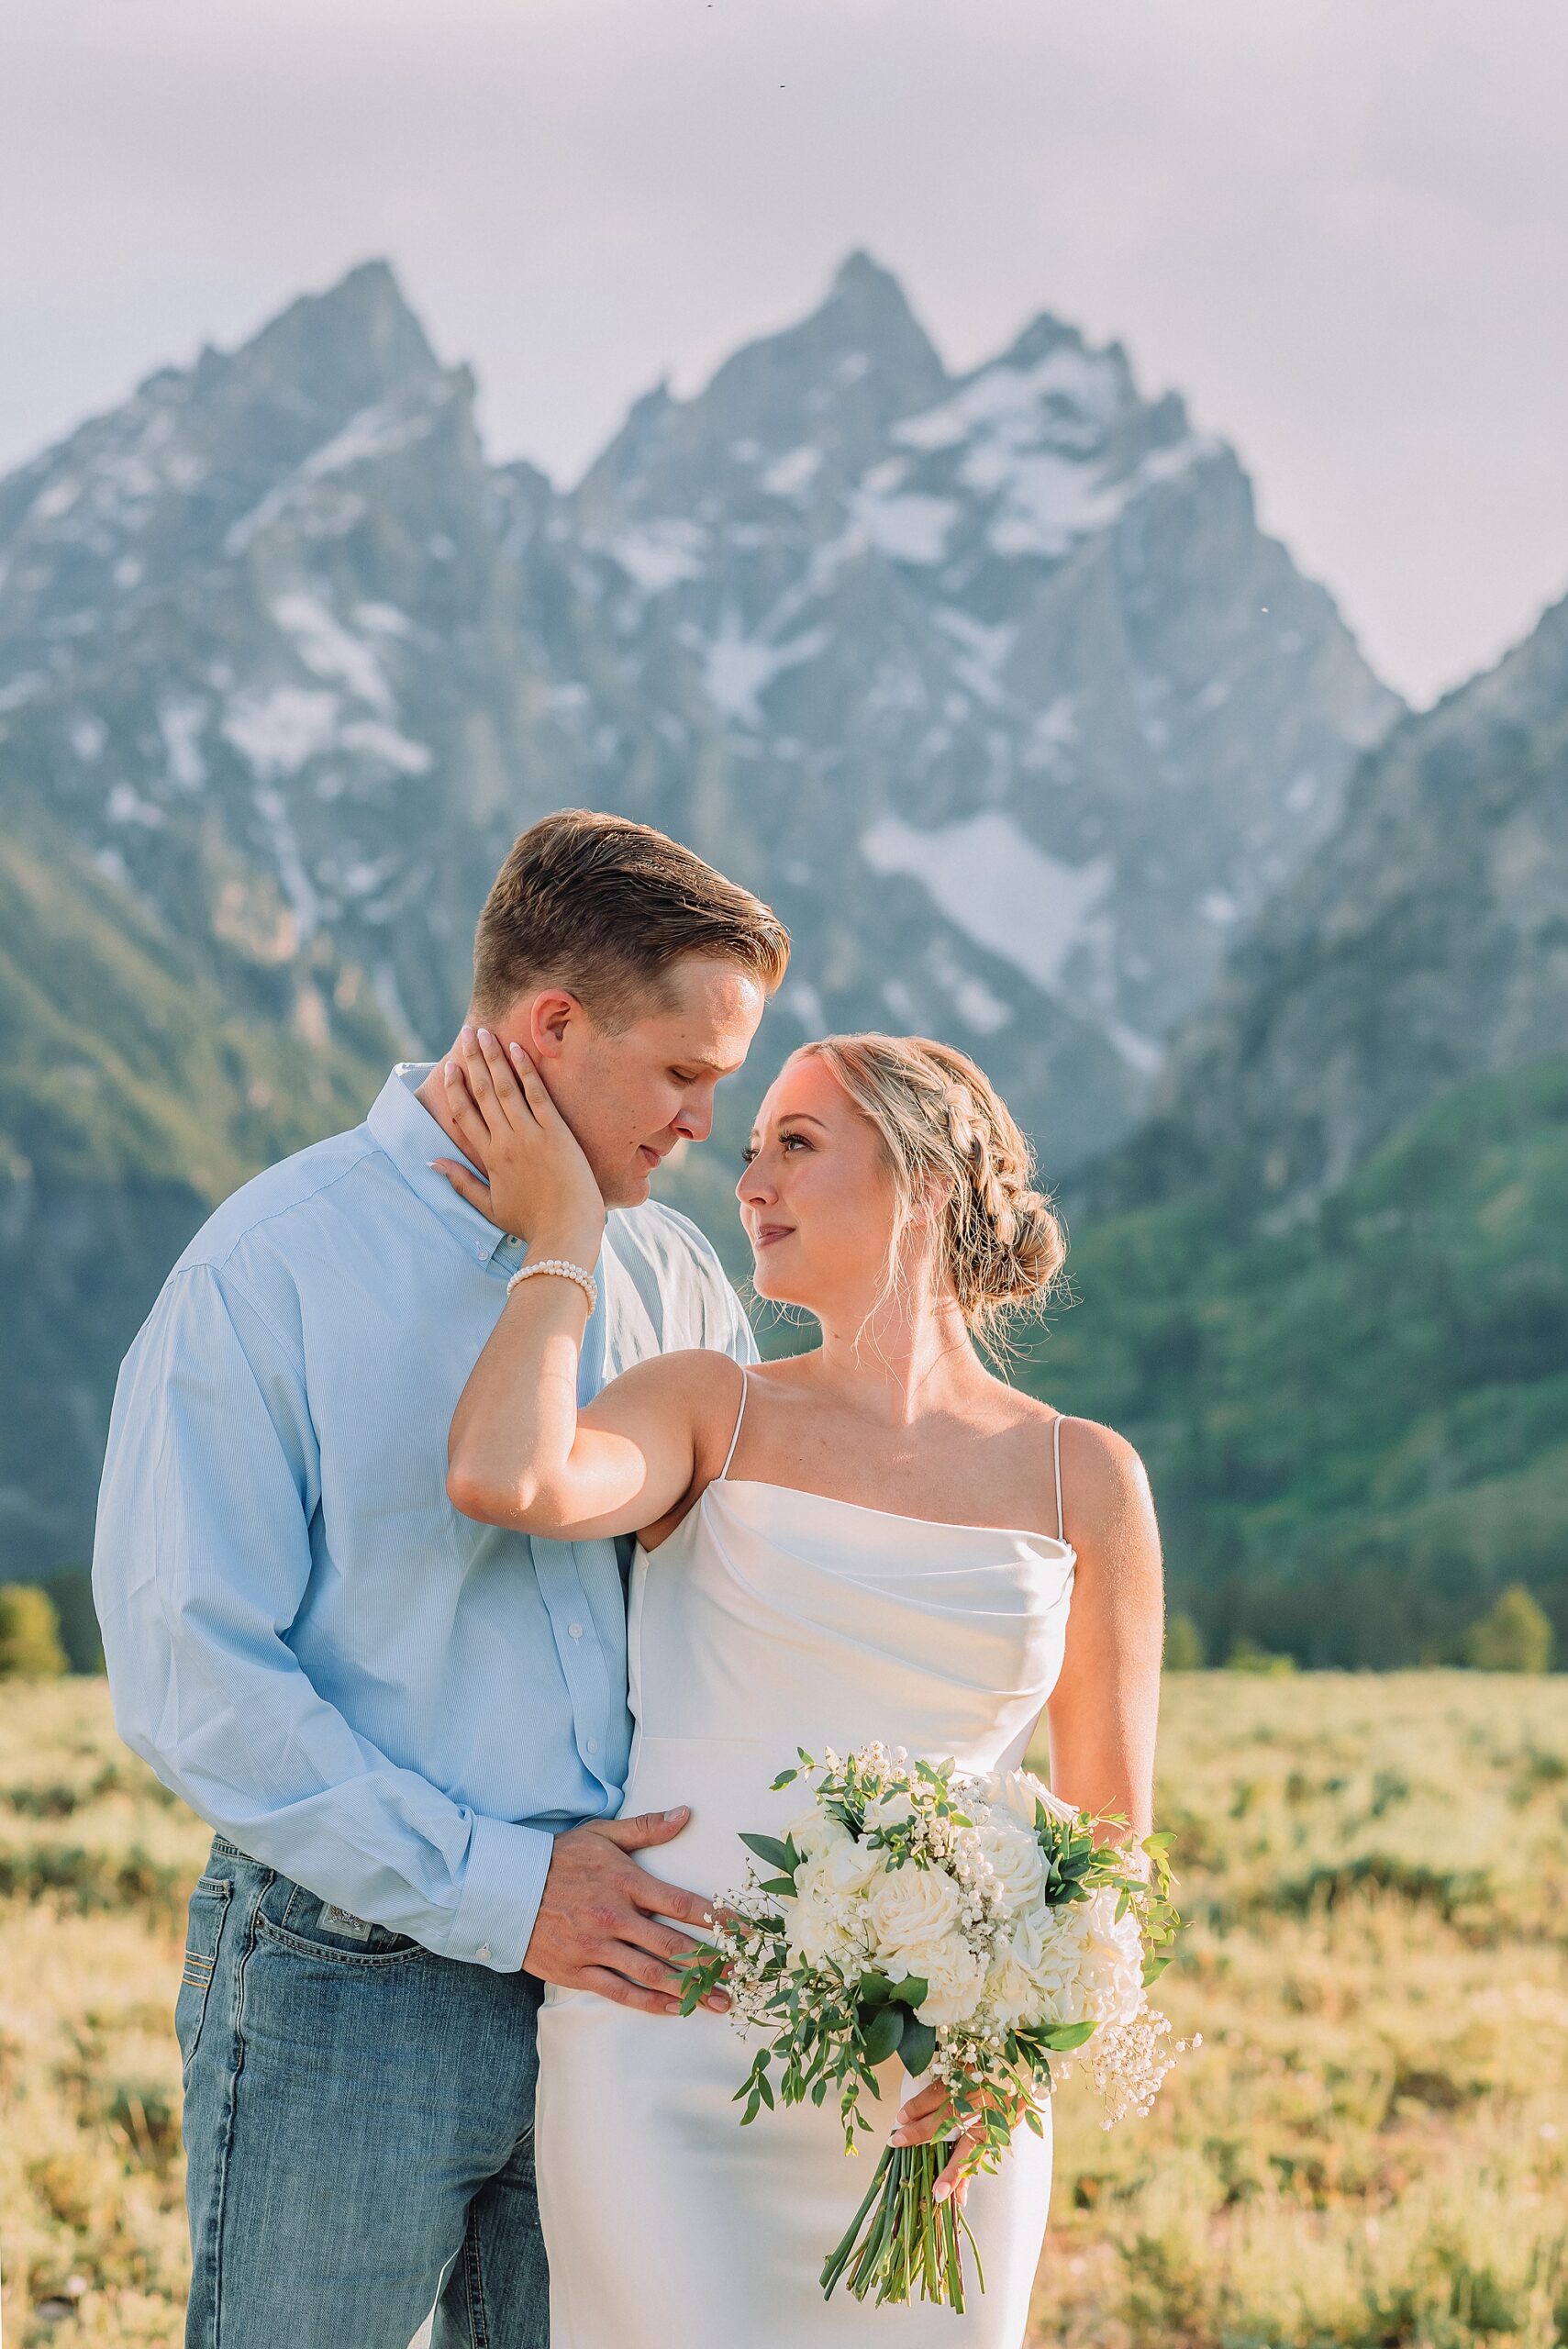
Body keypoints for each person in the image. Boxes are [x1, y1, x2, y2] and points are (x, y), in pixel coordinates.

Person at [91, 810, 790, 2349]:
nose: (704, 1128)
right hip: (351, 1986)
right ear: (552, 1026)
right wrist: (510, 1888)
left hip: (630, 1981)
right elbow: (192, 1676)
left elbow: (728, 1613)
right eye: (684, 1074)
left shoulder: (669, 1277)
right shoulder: (268, 1266)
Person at [439, 1021, 1165, 2347]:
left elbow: (1111, 1835)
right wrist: (560, 1241)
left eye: (796, 1143)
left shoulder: (1085, 1477)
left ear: (927, 1182)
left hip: (935, 2088)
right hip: (664, 2052)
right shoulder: (708, 1407)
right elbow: (507, 1476)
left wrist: (1007, 2057)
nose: (749, 1177)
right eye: (754, 1145)